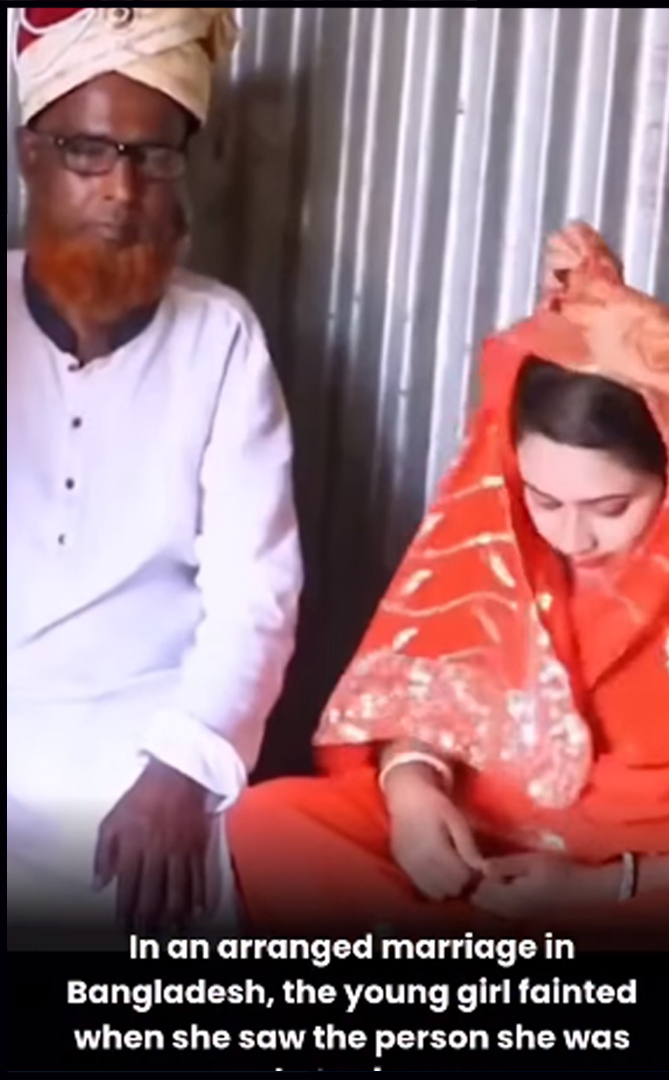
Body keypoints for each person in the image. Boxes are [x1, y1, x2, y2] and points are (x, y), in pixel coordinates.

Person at [225, 224, 669, 945]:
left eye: (610, 508)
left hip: (620, 882)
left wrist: (601, 887)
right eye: (545, 501)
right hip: (480, 843)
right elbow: (421, 692)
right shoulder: (498, 533)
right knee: (270, 826)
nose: (572, 537)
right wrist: (415, 793)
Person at [6, 7, 302, 945]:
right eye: (88, 151)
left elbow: (256, 591)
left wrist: (184, 767)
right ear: (30, 157)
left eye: (153, 155)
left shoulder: (221, 339)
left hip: (142, 746)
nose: (123, 190)